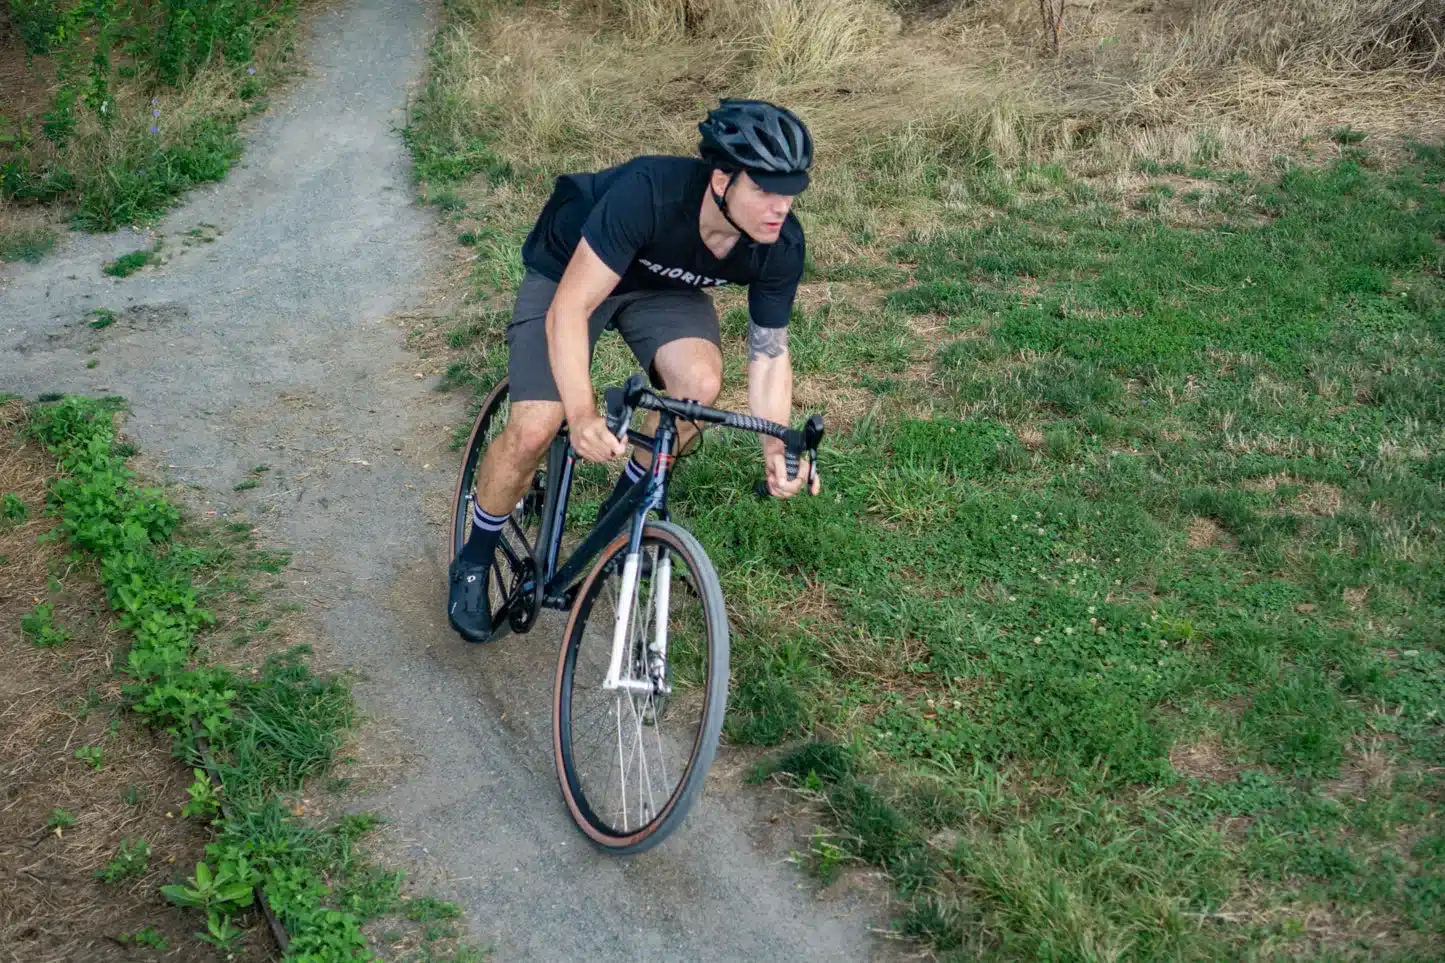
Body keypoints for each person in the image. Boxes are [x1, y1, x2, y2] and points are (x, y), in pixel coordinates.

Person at [448, 98, 823, 643]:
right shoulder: (648, 194)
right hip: (571, 272)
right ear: (721, 181)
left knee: (697, 388)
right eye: (765, 189)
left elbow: (768, 353)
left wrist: (775, 444)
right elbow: (569, 309)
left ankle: (621, 517)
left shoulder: (779, 244)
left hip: (661, 285)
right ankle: (476, 555)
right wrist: (581, 415)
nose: (780, 207)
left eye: (790, 192)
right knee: (535, 427)